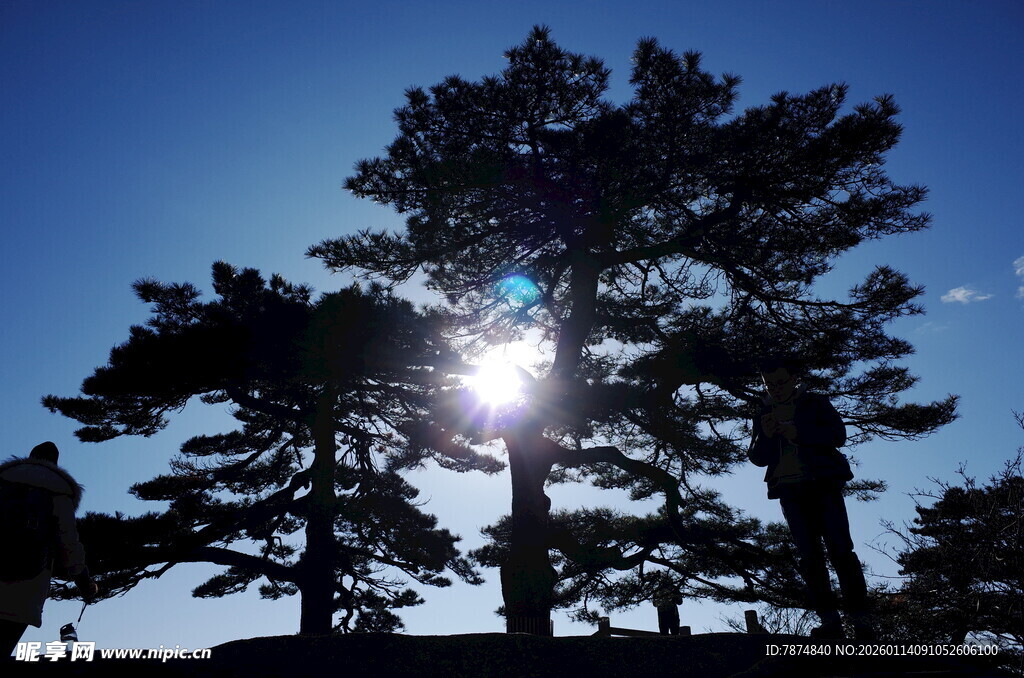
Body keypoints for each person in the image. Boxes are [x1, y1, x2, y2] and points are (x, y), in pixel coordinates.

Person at [747, 358, 874, 641]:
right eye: (770, 384)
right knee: (810, 558)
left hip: (823, 485)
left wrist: (797, 433)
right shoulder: (763, 411)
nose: (776, 389)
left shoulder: (815, 402)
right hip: (789, 490)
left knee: (841, 552)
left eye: (781, 382)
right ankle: (829, 622)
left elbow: (837, 435)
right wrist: (766, 437)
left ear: (794, 378)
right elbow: (757, 457)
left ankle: (861, 621)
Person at [0, 442, 97, 657]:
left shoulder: (3, 482)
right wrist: (84, 583)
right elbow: (69, 543)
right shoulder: (58, 492)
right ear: (55, 464)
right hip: (25, 584)